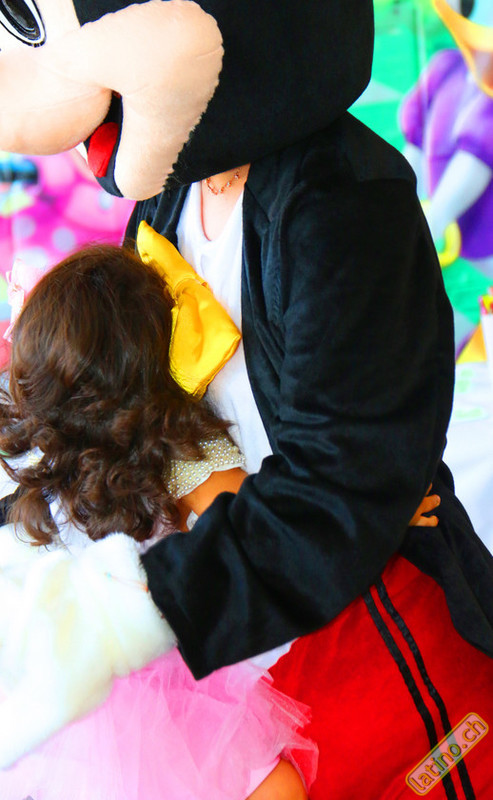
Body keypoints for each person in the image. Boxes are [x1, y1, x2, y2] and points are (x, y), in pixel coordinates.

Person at [0, 243, 317, 800]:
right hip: (167, 691)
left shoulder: (45, 457)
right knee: (275, 786)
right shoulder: (176, 454)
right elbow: (274, 532)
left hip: (77, 716)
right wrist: (365, 507)